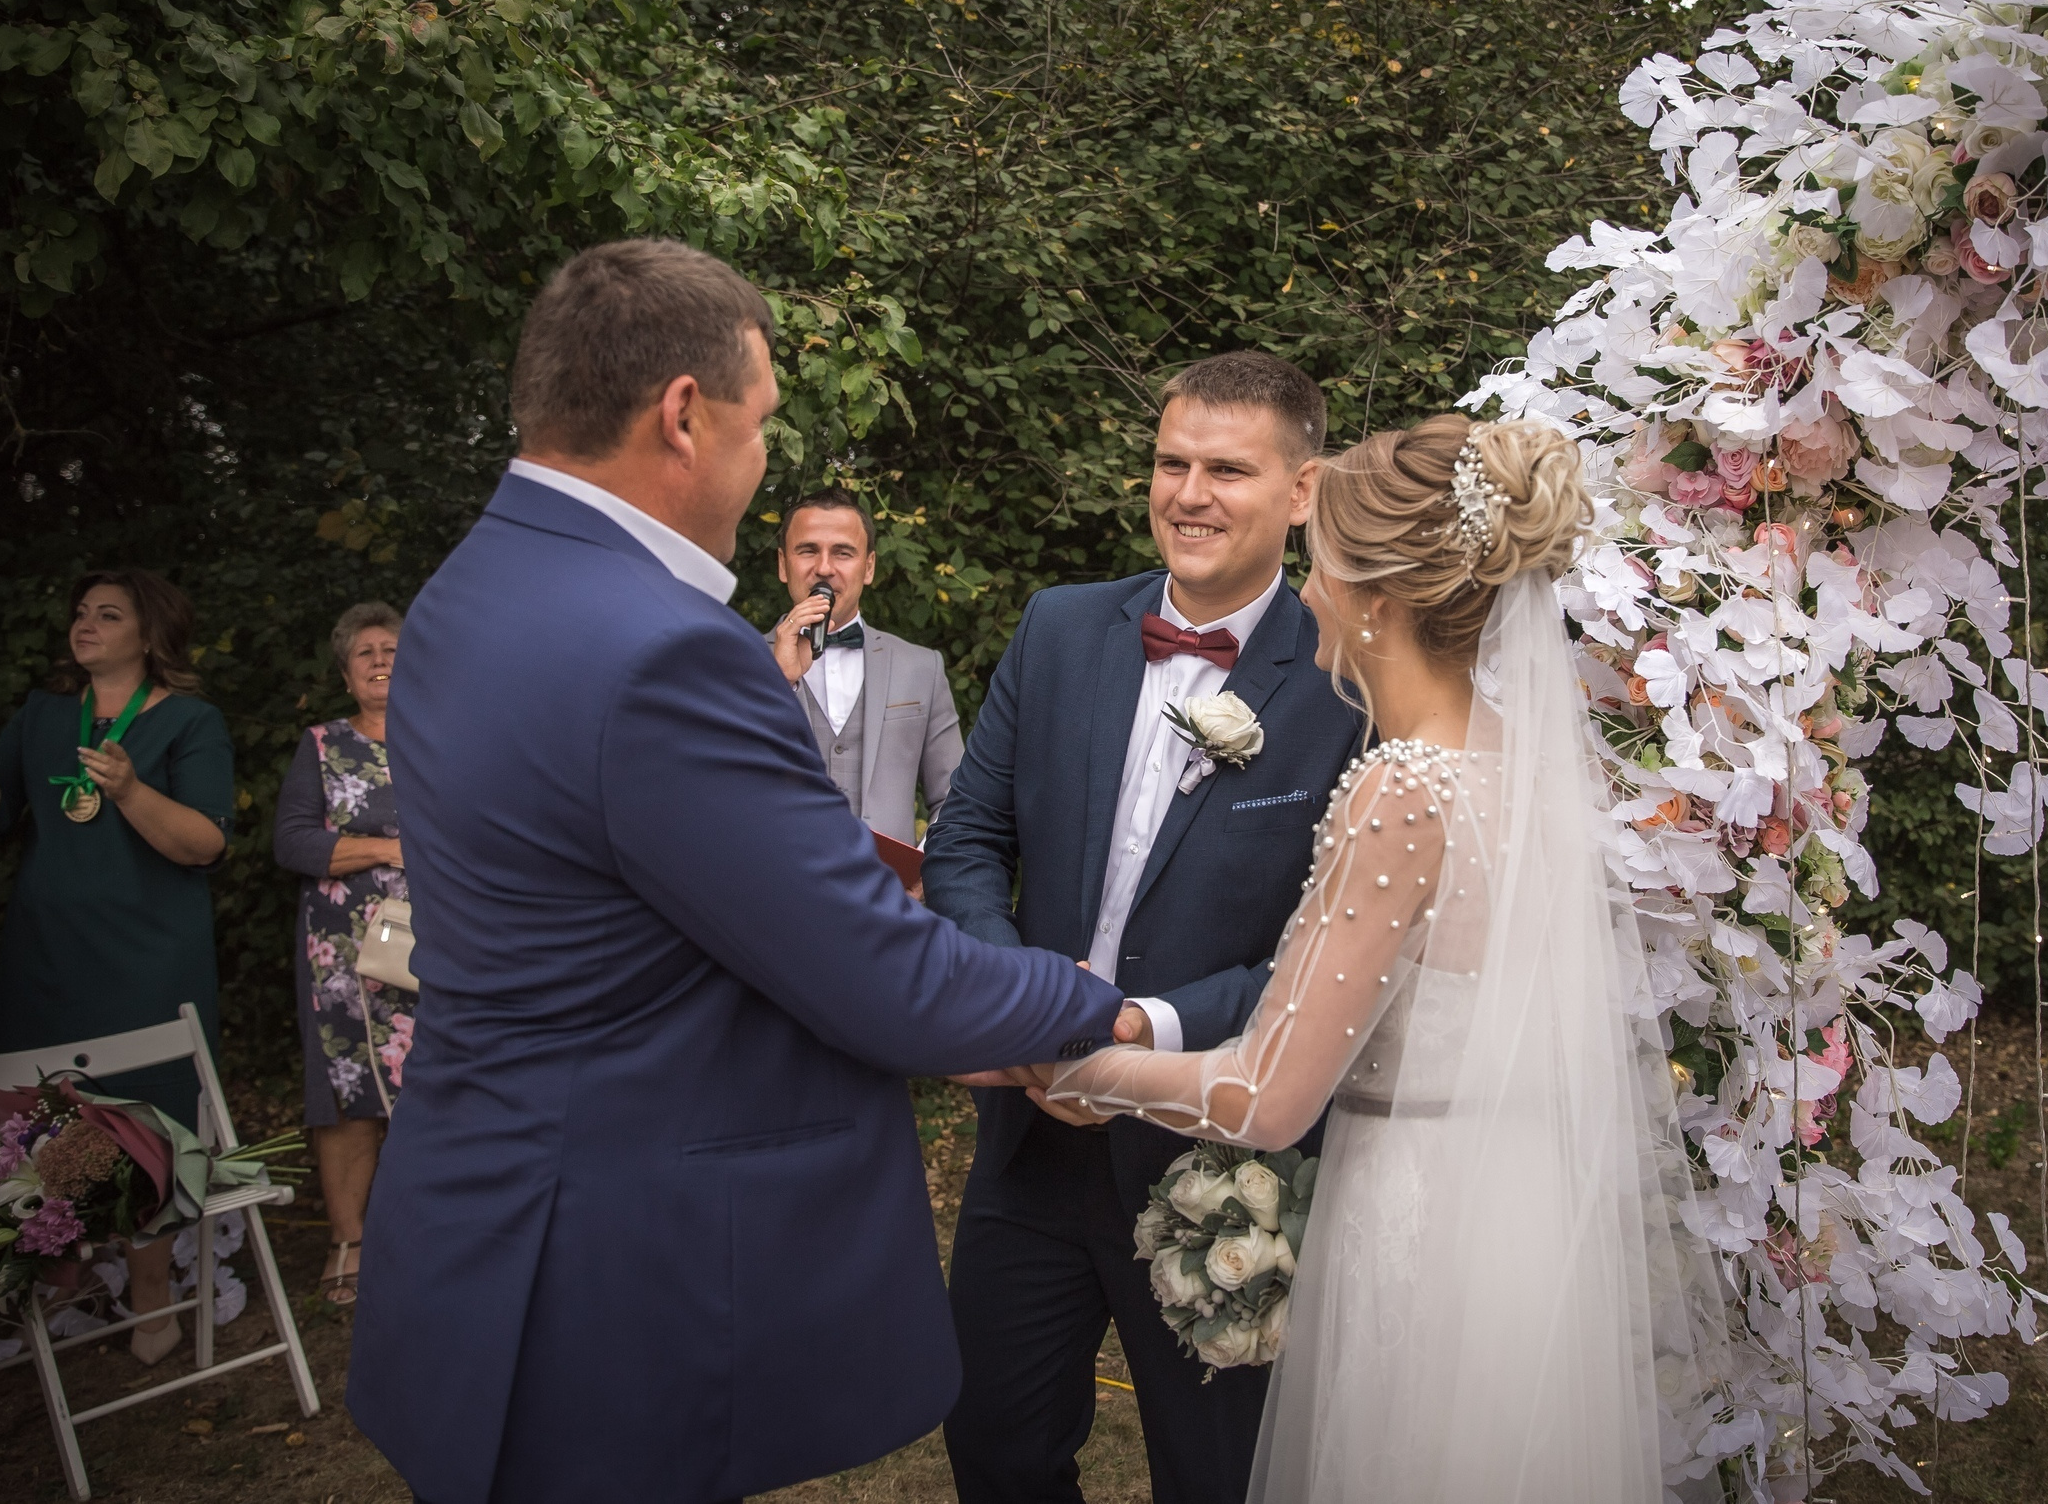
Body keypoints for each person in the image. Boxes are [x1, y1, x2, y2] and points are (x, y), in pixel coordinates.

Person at [346, 238, 1121, 1504]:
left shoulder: (462, 590)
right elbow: (881, 979)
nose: (761, 465)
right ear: (683, 416)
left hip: (471, 1206)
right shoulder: (665, 649)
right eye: (758, 425)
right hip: (606, 1263)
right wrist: (1092, 1002)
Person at [1027, 415, 1726, 1503]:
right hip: (1520, 1217)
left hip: (1418, 1226)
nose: (1306, 590)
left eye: (1321, 566)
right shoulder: (1517, 763)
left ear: (1376, 601)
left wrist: (1076, 1068)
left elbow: (1264, 1096)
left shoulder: (1403, 787)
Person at [923, 350, 1364, 1504]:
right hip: (1031, 1139)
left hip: (1217, 1163)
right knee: (995, 1445)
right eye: (1172, 463)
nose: (1189, 495)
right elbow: (965, 841)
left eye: (1227, 470)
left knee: (1214, 1475)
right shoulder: (1060, 627)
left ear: (1302, 492)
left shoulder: (1347, 681)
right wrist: (1025, 1006)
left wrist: (1134, 1026)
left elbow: (1334, 950)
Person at [0, 569, 236, 1367]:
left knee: (151, 1123)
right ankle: (63, 1281)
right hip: (47, 960)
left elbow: (205, 842)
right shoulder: (43, 715)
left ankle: (151, 1297)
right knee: (47, 1122)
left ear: (151, 633)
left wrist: (131, 790)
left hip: (149, 961)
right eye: (81, 612)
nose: (86, 623)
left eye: (109, 613)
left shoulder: (190, 721)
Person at [272, 600, 410, 1306]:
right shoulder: (323, 743)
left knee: (441, 1086)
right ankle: (349, 1244)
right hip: (345, 951)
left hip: (441, 940)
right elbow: (293, 842)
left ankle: (428, 1238)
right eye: (366, 652)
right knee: (349, 1089)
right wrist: (388, 849)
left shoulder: (449, 739)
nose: (381, 661)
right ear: (346, 673)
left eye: (392, 649)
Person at [765, 487, 964, 844]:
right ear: (783, 564)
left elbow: (956, 796)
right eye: (807, 550)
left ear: (869, 567)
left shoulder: (922, 667)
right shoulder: (738, 662)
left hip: (889, 880)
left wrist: (923, 864)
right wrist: (778, 681)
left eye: (842, 553)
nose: (824, 568)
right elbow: (716, 784)